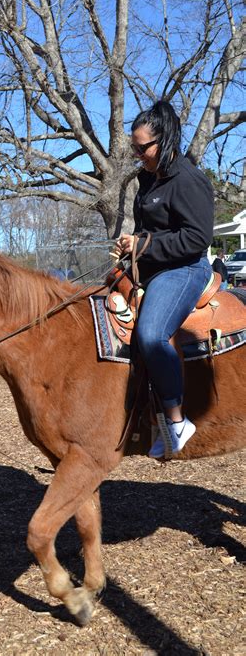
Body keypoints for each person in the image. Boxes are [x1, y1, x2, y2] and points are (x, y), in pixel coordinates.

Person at [114, 100, 214, 459]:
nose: (138, 154)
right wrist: (130, 247)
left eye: (143, 147)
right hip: (154, 266)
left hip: (186, 269)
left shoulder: (187, 179)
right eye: (134, 148)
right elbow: (148, 230)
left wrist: (144, 244)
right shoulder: (148, 179)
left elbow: (196, 238)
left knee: (152, 334)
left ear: (165, 140)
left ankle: (175, 419)